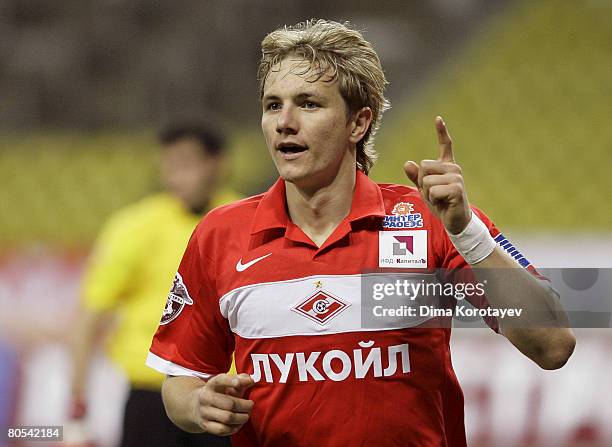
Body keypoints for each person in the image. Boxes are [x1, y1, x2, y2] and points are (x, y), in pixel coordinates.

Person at [146, 20, 576, 446]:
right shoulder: (221, 234)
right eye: (273, 105)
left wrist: (467, 233)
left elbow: (552, 346)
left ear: (358, 123)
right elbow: (180, 381)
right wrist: (201, 404)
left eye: (309, 104)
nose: (284, 122)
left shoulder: (427, 221)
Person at [70, 122, 236, 447]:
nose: (176, 178)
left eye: (187, 165)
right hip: (151, 393)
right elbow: (90, 315)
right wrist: (77, 399)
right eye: (169, 166)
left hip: (221, 394)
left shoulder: (244, 222)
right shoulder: (134, 227)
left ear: (217, 165)